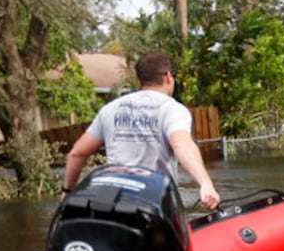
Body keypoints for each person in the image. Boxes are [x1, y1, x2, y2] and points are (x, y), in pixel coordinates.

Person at [62, 50, 220, 210]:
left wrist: (67, 191)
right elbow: (181, 144)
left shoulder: (110, 109)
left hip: (114, 202)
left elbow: (77, 153)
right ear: (168, 77)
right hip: (155, 202)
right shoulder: (172, 109)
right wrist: (205, 183)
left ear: (140, 79)